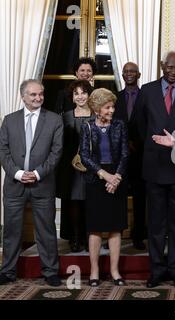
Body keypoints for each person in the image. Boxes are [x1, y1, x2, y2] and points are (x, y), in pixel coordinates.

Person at [136, 51, 175, 289]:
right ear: (162, 66)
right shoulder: (147, 91)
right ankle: (157, 270)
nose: (173, 71)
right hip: (154, 166)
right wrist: (152, 145)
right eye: (170, 67)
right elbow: (140, 125)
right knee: (157, 222)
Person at [0, 79, 63, 286]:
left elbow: (56, 152)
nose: (39, 98)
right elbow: (3, 151)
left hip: (42, 184)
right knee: (11, 230)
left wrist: (37, 173)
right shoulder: (9, 120)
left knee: (46, 230)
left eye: (41, 94)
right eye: (34, 95)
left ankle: (51, 271)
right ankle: (8, 271)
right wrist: (18, 173)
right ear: (23, 96)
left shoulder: (54, 120)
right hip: (14, 184)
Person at [80, 88, 128, 287]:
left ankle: (115, 271)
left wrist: (116, 177)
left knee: (116, 228)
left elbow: (125, 153)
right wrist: (104, 175)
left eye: (113, 106)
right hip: (96, 179)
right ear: (97, 109)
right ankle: (94, 271)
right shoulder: (87, 126)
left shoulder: (120, 125)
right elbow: (84, 155)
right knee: (95, 228)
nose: (112, 110)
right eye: (107, 107)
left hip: (116, 178)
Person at [57, 80, 94, 252]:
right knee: (74, 204)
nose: (80, 97)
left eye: (83, 93)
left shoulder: (97, 116)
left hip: (92, 168)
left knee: (90, 203)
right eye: (76, 93)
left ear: (89, 95)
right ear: (72, 97)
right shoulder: (65, 117)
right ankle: (75, 238)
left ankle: (89, 238)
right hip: (71, 169)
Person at [113, 62, 147, 250]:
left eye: (132, 71)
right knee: (118, 195)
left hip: (142, 156)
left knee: (141, 197)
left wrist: (138, 143)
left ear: (139, 74)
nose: (129, 74)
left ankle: (138, 235)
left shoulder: (147, 96)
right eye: (126, 71)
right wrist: (124, 143)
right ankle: (117, 234)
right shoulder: (116, 98)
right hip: (120, 155)